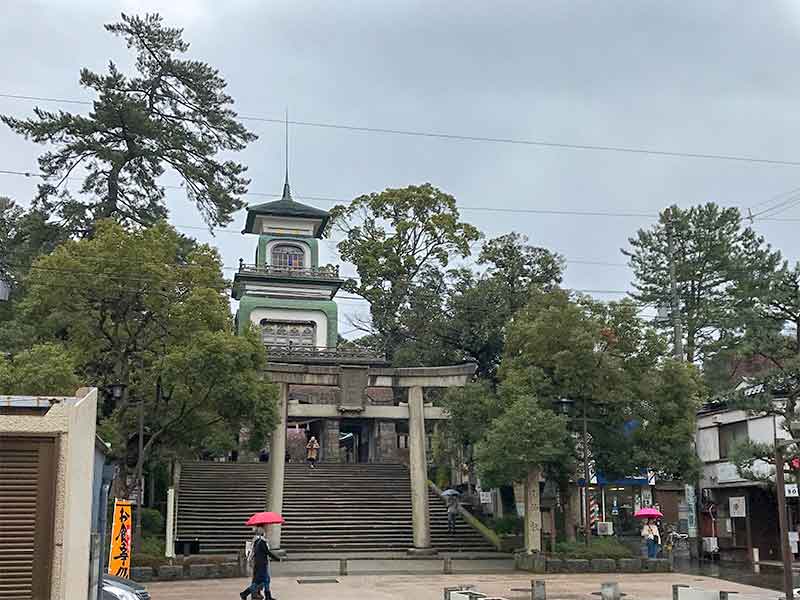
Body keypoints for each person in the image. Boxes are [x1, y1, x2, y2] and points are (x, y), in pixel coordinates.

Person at [240, 527, 281, 600]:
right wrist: (277, 559)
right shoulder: (261, 542)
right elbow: (267, 552)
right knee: (259, 582)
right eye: (264, 532)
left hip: (259, 563)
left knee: (266, 580)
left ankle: (268, 596)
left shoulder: (256, 541)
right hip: (261, 564)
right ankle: (244, 593)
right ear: (262, 533)